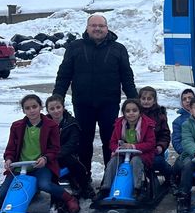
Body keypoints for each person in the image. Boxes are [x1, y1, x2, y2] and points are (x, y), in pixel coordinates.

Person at [53, 14, 138, 186]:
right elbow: (64, 74)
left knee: (110, 141)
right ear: (87, 28)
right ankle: (84, 178)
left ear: (107, 28)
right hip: (83, 103)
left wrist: (134, 100)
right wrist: (57, 97)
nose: (97, 28)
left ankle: (110, 177)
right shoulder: (75, 47)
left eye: (101, 26)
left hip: (109, 103)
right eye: (93, 25)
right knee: (83, 141)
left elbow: (127, 76)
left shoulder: (118, 49)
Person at [0, 94, 79, 213]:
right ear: (23, 110)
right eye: (28, 108)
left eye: (34, 106)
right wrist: (9, 159)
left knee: (44, 184)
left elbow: (54, 148)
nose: (32, 110)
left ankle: (69, 199)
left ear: (40, 107)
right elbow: (11, 148)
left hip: (41, 165)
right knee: (4, 189)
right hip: (20, 166)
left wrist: (45, 158)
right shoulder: (17, 126)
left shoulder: (51, 126)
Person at [100, 99, 156, 198]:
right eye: (128, 111)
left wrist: (133, 146)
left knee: (135, 161)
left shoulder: (147, 125)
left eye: (134, 110)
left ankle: (138, 188)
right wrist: (119, 148)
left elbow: (151, 143)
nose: (131, 113)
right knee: (113, 162)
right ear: (124, 113)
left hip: (142, 154)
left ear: (139, 112)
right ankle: (106, 188)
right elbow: (112, 142)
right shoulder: (119, 124)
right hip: (123, 153)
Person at [45, 94, 93, 199]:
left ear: (63, 107)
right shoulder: (44, 124)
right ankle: (56, 194)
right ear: (47, 110)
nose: (56, 111)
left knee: (77, 165)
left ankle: (84, 187)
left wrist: (57, 154)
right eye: (52, 109)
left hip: (66, 154)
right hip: (49, 155)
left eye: (58, 107)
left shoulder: (72, 123)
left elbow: (73, 143)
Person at [138, 86, 174, 187]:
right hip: (138, 149)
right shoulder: (135, 113)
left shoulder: (159, 116)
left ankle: (170, 176)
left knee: (157, 161)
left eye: (149, 99)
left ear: (154, 101)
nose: (146, 101)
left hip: (154, 149)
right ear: (139, 99)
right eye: (143, 98)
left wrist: (160, 146)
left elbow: (165, 134)